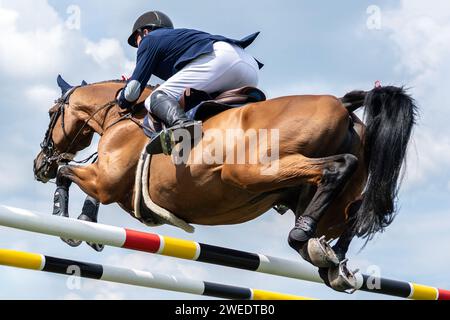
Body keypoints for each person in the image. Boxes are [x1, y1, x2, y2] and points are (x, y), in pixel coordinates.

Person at [117, 11, 263, 154]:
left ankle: (182, 125)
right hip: (249, 66)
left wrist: (121, 99)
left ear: (145, 32)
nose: (138, 46)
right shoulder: (174, 39)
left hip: (220, 59)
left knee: (155, 98)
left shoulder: (149, 40)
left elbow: (133, 90)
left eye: (136, 40)